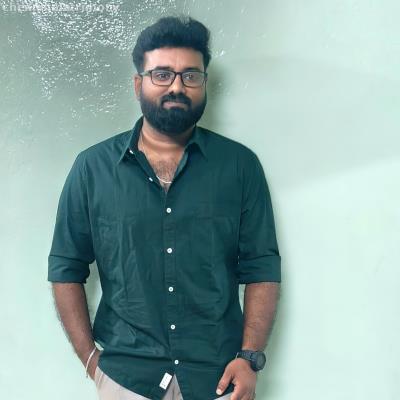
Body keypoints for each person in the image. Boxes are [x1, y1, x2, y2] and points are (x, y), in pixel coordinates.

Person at [48, 15, 281, 400]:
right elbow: (65, 267)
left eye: (190, 75)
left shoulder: (240, 166)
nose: (177, 86)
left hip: (219, 378)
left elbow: (261, 266)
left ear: (204, 83)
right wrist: (91, 361)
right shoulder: (92, 169)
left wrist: (250, 357)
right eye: (162, 75)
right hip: (127, 380)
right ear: (138, 83)